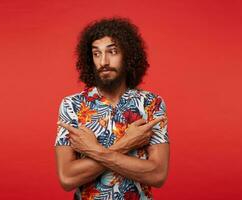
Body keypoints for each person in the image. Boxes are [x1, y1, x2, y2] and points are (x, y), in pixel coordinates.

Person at [54, 17, 170, 200]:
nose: (104, 61)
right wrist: (126, 144)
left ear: (128, 55)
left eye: (113, 51)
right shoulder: (72, 105)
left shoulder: (151, 103)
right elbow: (67, 178)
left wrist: (94, 150)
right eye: (96, 53)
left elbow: (157, 175)